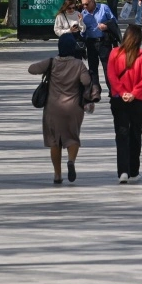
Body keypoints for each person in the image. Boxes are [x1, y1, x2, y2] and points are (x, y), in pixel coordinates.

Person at [28, 33, 95, 184]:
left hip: (53, 108)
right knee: (73, 138)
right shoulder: (78, 64)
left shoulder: (51, 62)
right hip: (73, 108)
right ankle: (71, 160)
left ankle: (57, 175)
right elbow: (86, 81)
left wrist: (46, 70)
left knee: (54, 142)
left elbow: (31, 69)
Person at [106, 24, 142, 184]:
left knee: (122, 134)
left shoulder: (114, 53)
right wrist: (133, 93)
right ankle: (134, 171)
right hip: (139, 100)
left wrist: (122, 91)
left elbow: (111, 76)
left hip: (119, 99)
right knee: (135, 134)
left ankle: (123, 171)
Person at [80, 0, 121, 77]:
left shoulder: (103, 8)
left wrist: (106, 26)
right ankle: (95, 88)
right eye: (83, 4)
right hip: (91, 43)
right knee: (92, 69)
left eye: (86, 4)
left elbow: (114, 21)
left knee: (108, 68)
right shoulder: (83, 14)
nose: (84, 6)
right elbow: (82, 32)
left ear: (92, 1)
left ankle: (111, 89)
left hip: (104, 42)